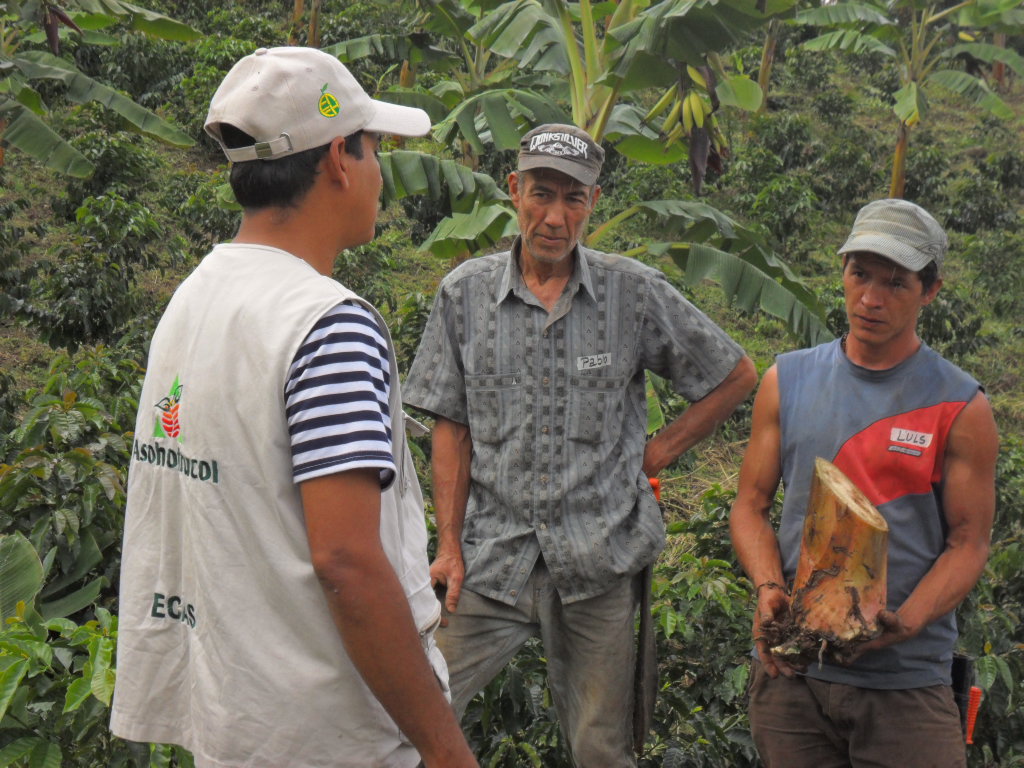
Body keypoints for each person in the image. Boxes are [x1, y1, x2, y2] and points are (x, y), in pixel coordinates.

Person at [109, 47, 478, 768]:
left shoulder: (197, 295)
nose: (379, 174)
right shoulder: (327, 324)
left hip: (236, 720)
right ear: (339, 157)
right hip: (326, 737)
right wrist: (445, 749)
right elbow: (346, 560)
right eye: (373, 150)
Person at [403, 122, 757, 766]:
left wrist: (657, 453)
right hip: (489, 562)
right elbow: (450, 427)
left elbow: (733, 375)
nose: (555, 218)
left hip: (597, 559)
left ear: (593, 202)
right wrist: (448, 546)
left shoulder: (632, 292)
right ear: (514, 190)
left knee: (600, 748)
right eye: (542, 194)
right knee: (414, 710)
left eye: (574, 199)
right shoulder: (465, 295)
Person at [729, 198, 999, 768]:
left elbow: (969, 542)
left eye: (896, 284)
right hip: (792, 677)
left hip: (905, 688)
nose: (871, 299)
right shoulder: (788, 380)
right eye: (860, 275)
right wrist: (765, 588)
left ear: (930, 291)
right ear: (844, 272)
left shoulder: (961, 405)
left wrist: (910, 621)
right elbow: (750, 506)